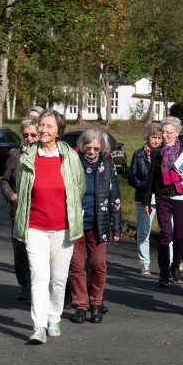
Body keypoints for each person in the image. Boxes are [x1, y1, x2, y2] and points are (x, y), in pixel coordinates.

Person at [12, 110, 84, 344]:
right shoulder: (28, 157)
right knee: (39, 276)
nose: (43, 129)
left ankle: (54, 317)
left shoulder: (70, 157)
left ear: (58, 131)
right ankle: (39, 325)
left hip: (63, 228)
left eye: (48, 126)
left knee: (59, 279)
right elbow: (22, 189)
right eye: (41, 125)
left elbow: (79, 188)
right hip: (35, 227)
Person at [67, 129, 122, 324]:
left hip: (99, 224)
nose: (91, 151)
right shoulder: (72, 163)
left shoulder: (108, 166)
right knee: (76, 266)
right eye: (88, 147)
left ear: (102, 149)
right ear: (82, 146)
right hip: (75, 224)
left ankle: (96, 302)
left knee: (98, 265)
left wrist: (117, 227)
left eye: (96, 148)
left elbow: (115, 198)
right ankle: (80, 305)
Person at [144, 116, 183, 287]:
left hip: (182, 196)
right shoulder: (157, 152)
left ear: (177, 133)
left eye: (168, 133)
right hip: (163, 196)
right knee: (165, 235)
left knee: (179, 236)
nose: (164, 136)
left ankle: (175, 267)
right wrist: (146, 201)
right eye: (163, 132)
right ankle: (163, 273)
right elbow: (152, 177)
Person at [1, 116, 40, 300]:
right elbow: (4, 181)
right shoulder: (15, 156)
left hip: (39, 211)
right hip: (18, 212)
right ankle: (25, 285)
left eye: (33, 134)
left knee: (38, 251)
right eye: (26, 135)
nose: (29, 138)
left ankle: (38, 286)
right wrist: (11, 195)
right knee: (21, 251)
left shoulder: (44, 156)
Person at [128, 122, 163, 275]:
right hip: (143, 198)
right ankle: (145, 264)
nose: (156, 141)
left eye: (159, 138)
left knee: (168, 232)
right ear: (147, 137)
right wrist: (147, 186)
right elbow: (132, 178)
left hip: (163, 198)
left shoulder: (166, 154)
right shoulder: (138, 154)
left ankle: (170, 264)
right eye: (153, 137)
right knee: (143, 232)